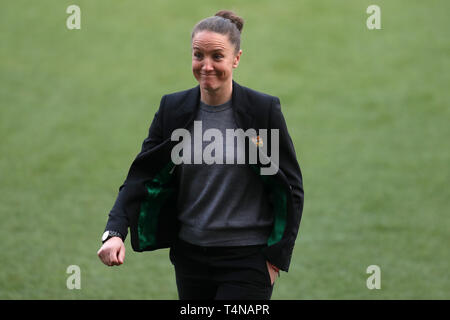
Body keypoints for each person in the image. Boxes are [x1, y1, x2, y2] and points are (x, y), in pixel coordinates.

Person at [97, 10, 304, 300]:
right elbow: (141, 177)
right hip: (190, 259)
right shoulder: (173, 109)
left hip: (248, 260)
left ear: (236, 58)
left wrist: (275, 258)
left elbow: (291, 187)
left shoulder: (262, 111)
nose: (206, 66)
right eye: (198, 55)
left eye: (217, 56)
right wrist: (115, 231)